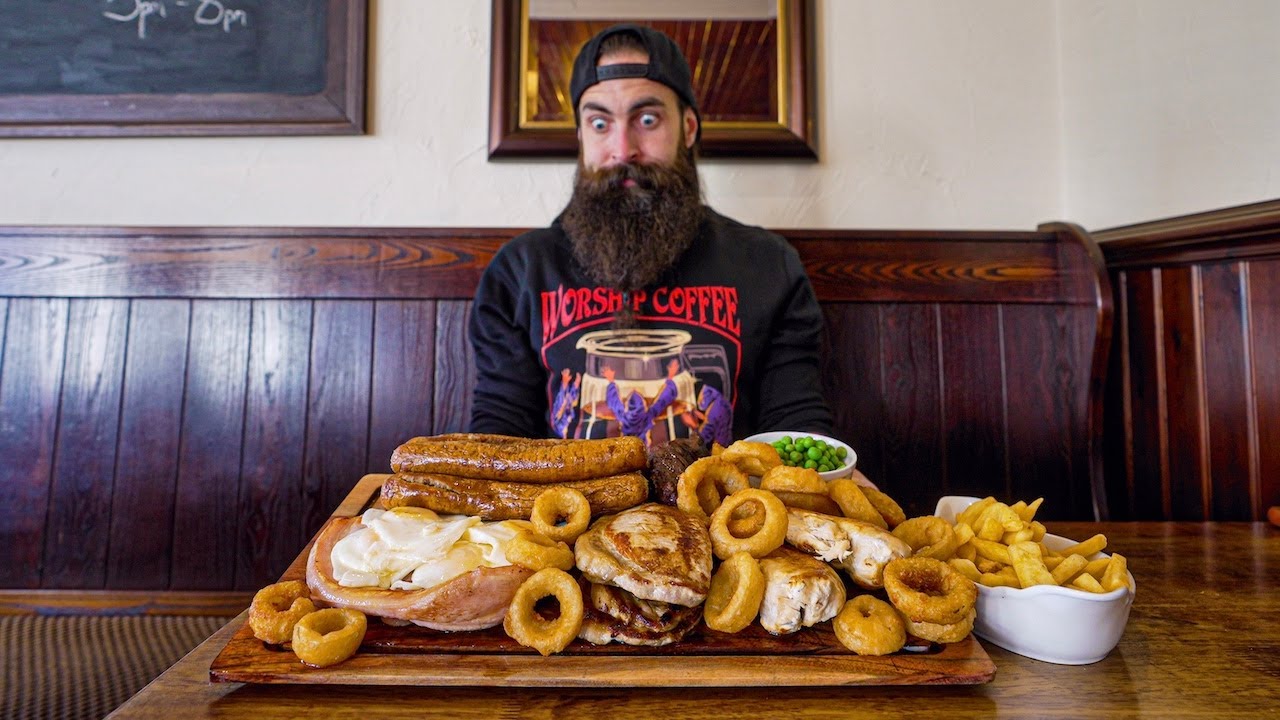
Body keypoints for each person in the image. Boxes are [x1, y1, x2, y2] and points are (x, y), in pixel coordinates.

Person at [468, 23, 833, 445]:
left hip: (724, 507)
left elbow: (796, 424)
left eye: (647, 118)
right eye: (600, 124)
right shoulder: (519, 273)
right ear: (581, 136)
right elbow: (500, 428)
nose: (623, 149)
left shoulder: (768, 265)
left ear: (689, 128)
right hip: (571, 510)